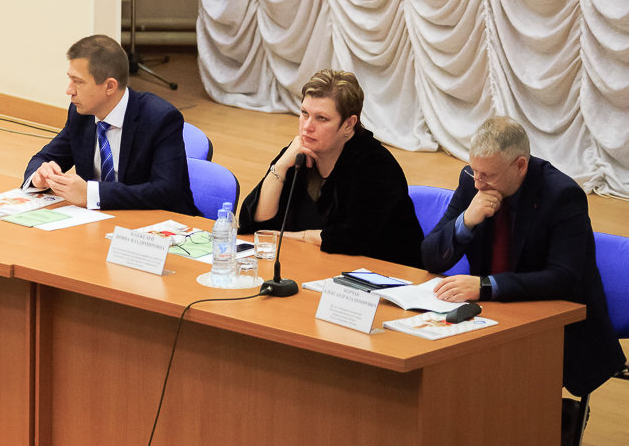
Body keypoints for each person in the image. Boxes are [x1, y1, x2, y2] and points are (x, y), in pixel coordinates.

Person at [423, 117, 625, 396]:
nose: (479, 183)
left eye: (488, 175)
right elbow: (431, 257)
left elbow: (562, 278)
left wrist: (485, 286)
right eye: (475, 171)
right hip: (489, 320)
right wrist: (466, 220)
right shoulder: (472, 182)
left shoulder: (562, 196)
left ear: (520, 165)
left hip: (553, 330)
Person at [238, 69, 422, 267]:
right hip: (317, 265)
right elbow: (257, 223)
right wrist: (281, 166)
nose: (307, 126)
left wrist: (293, 237)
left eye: (321, 118)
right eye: (304, 113)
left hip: (385, 273)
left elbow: (352, 238)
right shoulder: (298, 153)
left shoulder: (376, 166)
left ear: (349, 124)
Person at [22, 35, 192, 212]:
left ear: (110, 86)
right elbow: (43, 158)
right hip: (97, 219)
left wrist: (92, 194)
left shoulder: (160, 118)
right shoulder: (82, 114)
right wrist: (39, 176)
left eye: (78, 82)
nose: (69, 90)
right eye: (70, 79)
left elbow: (166, 192)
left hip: (153, 221)